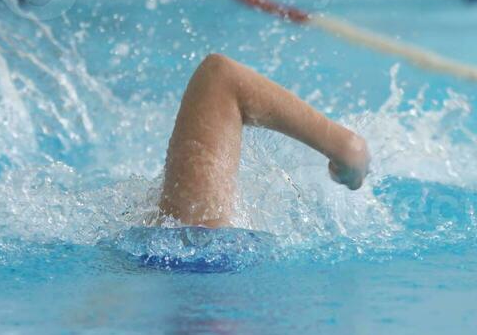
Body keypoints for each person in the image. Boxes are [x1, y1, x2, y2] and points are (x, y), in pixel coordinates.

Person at [158, 53, 369, 227]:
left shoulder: (188, 238)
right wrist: (346, 147)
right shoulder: (193, 235)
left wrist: (345, 148)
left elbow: (220, 76)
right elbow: (220, 77)